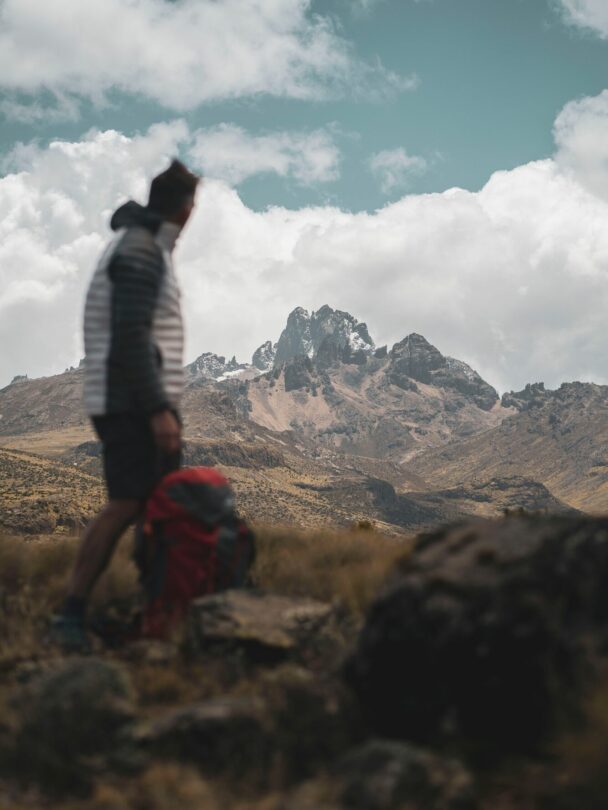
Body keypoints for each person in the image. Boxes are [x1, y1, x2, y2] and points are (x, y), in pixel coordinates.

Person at [52, 159, 200, 650]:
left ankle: (152, 611)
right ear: (186, 208)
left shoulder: (140, 244)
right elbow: (131, 333)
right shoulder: (140, 251)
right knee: (128, 503)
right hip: (131, 400)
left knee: (149, 507)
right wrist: (158, 407)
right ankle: (71, 614)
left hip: (127, 395)